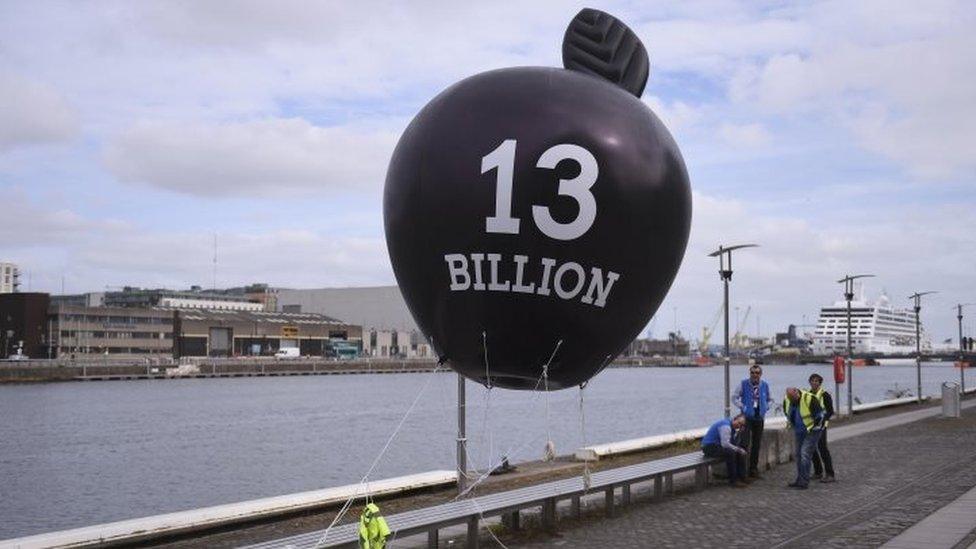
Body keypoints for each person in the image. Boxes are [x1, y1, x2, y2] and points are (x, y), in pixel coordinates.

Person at [733, 365, 775, 478]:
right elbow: (734, 397)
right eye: (752, 372)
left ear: (760, 374)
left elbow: (771, 399)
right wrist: (743, 407)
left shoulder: (765, 385)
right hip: (747, 418)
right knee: (744, 444)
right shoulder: (743, 384)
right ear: (749, 373)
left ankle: (753, 470)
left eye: (757, 373)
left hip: (759, 418)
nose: (754, 375)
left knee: (756, 445)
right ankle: (741, 472)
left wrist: (766, 407)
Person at [783, 387, 826, 489]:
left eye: (794, 398)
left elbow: (820, 416)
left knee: (804, 453)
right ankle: (799, 479)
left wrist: (811, 427)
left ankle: (804, 481)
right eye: (790, 398)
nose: (792, 400)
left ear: (797, 392)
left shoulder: (810, 398)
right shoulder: (787, 400)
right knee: (798, 455)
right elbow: (787, 412)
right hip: (799, 430)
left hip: (813, 430)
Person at [701, 414, 749, 487]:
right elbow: (725, 444)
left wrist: (739, 433)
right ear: (734, 419)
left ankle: (742, 477)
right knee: (731, 453)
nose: (739, 426)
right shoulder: (726, 427)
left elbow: (733, 443)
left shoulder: (732, 426)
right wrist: (738, 449)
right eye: (739, 423)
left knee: (738, 452)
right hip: (708, 447)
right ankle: (733, 480)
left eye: (741, 425)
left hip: (717, 445)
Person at [808, 373, 836, 483]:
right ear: (809, 382)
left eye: (816, 381)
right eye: (812, 381)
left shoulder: (825, 395)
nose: (814, 383)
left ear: (820, 383)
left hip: (821, 426)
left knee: (823, 449)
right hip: (810, 426)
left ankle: (830, 474)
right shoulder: (808, 394)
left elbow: (830, 411)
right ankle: (818, 472)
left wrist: (823, 419)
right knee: (812, 449)